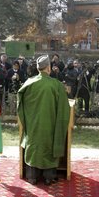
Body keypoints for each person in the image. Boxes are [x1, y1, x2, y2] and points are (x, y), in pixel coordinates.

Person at [17, 55, 70, 185]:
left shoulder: (29, 83)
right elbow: (64, 108)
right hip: (50, 123)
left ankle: (32, 176)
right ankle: (49, 177)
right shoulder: (56, 85)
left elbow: (20, 104)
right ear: (48, 68)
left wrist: (25, 120)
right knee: (49, 146)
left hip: (32, 123)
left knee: (33, 146)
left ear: (38, 67)